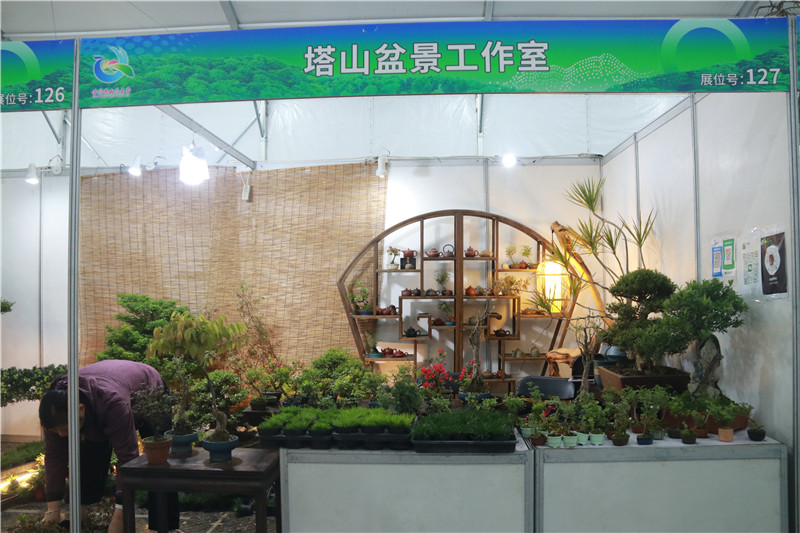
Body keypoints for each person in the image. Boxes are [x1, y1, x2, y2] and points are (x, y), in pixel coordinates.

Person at [39, 359, 182, 533]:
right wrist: (52, 509)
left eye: (64, 429)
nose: (61, 435)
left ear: (81, 409)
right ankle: (83, 517)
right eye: (56, 431)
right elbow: (54, 456)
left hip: (148, 389)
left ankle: (166, 527)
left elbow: (127, 457)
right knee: (88, 453)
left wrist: (120, 516)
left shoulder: (113, 403)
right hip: (106, 389)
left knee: (158, 460)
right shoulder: (53, 407)